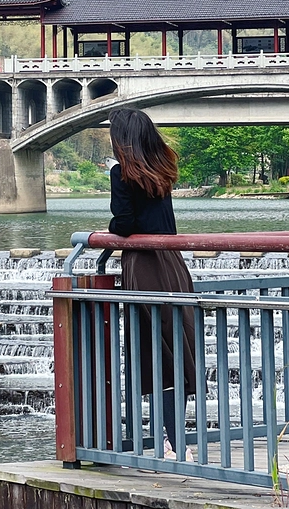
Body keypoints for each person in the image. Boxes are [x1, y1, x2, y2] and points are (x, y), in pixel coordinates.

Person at [108, 107, 196, 459]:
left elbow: (125, 223)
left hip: (143, 267)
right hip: (173, 264)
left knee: (153, 354)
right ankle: (175, 441)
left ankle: (173, 444)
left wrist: (111, 231)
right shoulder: (163, 168)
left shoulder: (122, 174)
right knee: (176, 350)